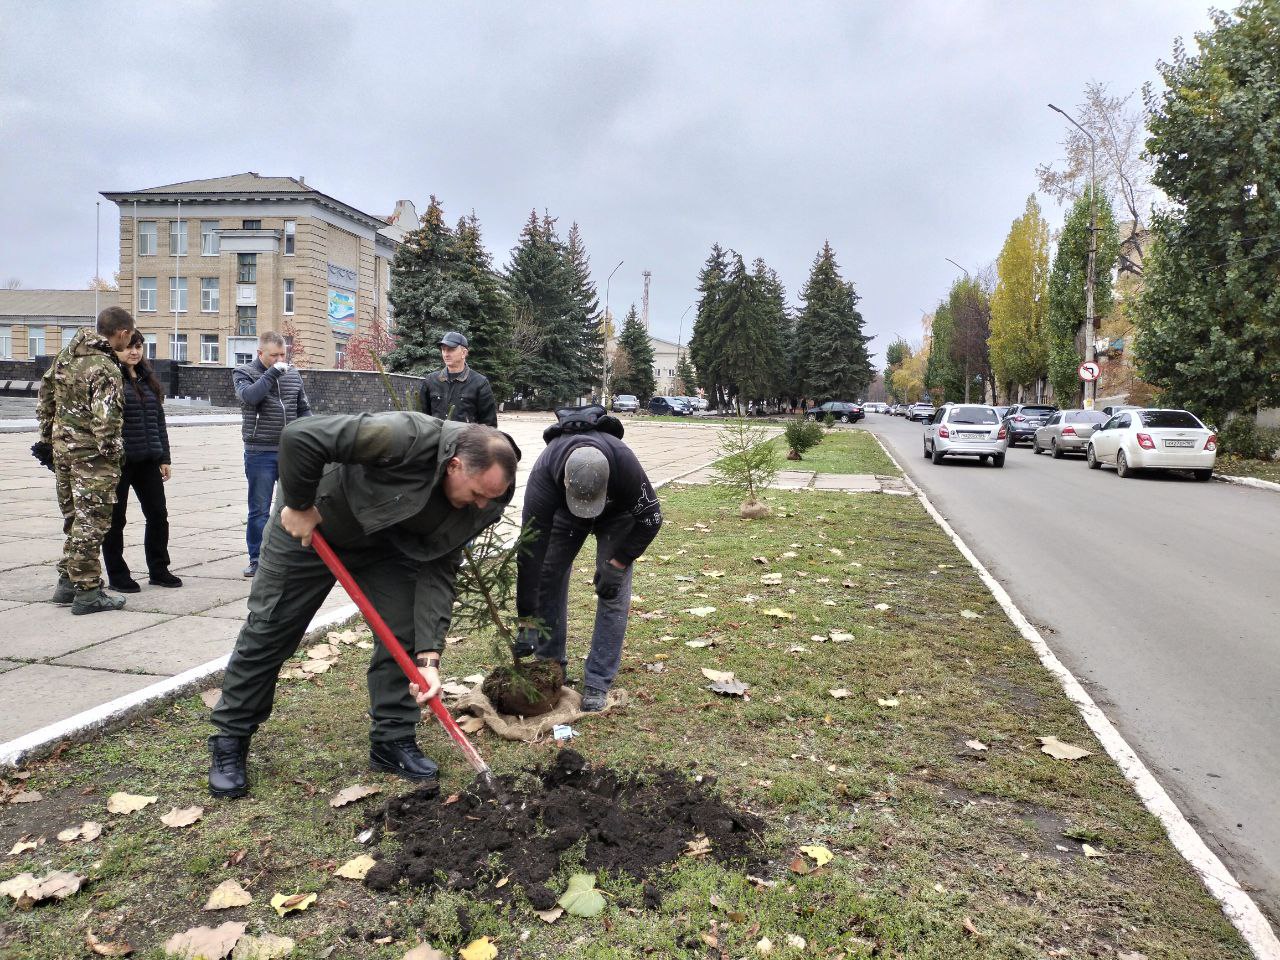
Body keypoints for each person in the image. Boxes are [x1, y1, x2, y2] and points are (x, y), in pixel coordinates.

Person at [207, 413, 519, 799]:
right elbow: (301, 436)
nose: (481, 504)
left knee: (401, 633)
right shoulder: (403, 436)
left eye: (490, 497)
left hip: (386, 546)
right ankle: (231, 738)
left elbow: (439, 566)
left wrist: (429, 659)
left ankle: (392, 739)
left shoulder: (486, 499)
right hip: (312, 524)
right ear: (455, 465)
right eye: (476, 494)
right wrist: (300, 504)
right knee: (271, 629)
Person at [515, 405, 663, 712]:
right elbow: (531, 551)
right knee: (548, 577)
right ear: (565, 481)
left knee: (614, 589)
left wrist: (619, 562)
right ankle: (551, 666)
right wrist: (527, 619)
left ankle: (597, 680)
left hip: (617, 515)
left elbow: (652, 519)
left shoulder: (624, 463)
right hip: (565, 516)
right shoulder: (545, 472)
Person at [37, 306, 135, 614]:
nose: (129, 341)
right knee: (92, 523)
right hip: (92, 458)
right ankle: (89, 592)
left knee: (74, 520)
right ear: (122, 333)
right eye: (129, 336)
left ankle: (67, 582)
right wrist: (114, 455)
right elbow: (106, 421)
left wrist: (48, 440)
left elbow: (45, 400)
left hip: (63, 452)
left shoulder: (66, 357)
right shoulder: (104, 367)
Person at [101, 330, 181, 592]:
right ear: (115, 349)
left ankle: (159, 569)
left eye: (138, 347)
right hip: (121, 463)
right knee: (116, 520)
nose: (134, 352)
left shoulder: (147, 379)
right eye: (127, 348)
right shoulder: (110, 379)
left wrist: (164, 457)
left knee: (158, 515)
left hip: (148, 460)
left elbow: (159, 422)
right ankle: (117, 574)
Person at [233, 331, 312, 578]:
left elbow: (303, 408)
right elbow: (250, 397)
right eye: (274, 355)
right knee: (259, 508)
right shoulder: (244, 373)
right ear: (260, 353)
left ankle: (291, 556)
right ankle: (257, 559)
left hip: (290, 450)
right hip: (260, 451)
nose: (279, 359)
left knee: (295, 505)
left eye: (282, 354)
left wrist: (311, 436)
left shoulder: (293, 374)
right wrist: (272, 373)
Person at [420, 331, 498, 426]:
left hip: (465, 440)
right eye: (443, 349)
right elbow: (422, 418)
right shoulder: (431, 380)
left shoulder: (480, 383)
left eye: (450, 350)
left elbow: (489, 425)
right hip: (437, 440)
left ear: (464, 353)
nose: (445, 354)